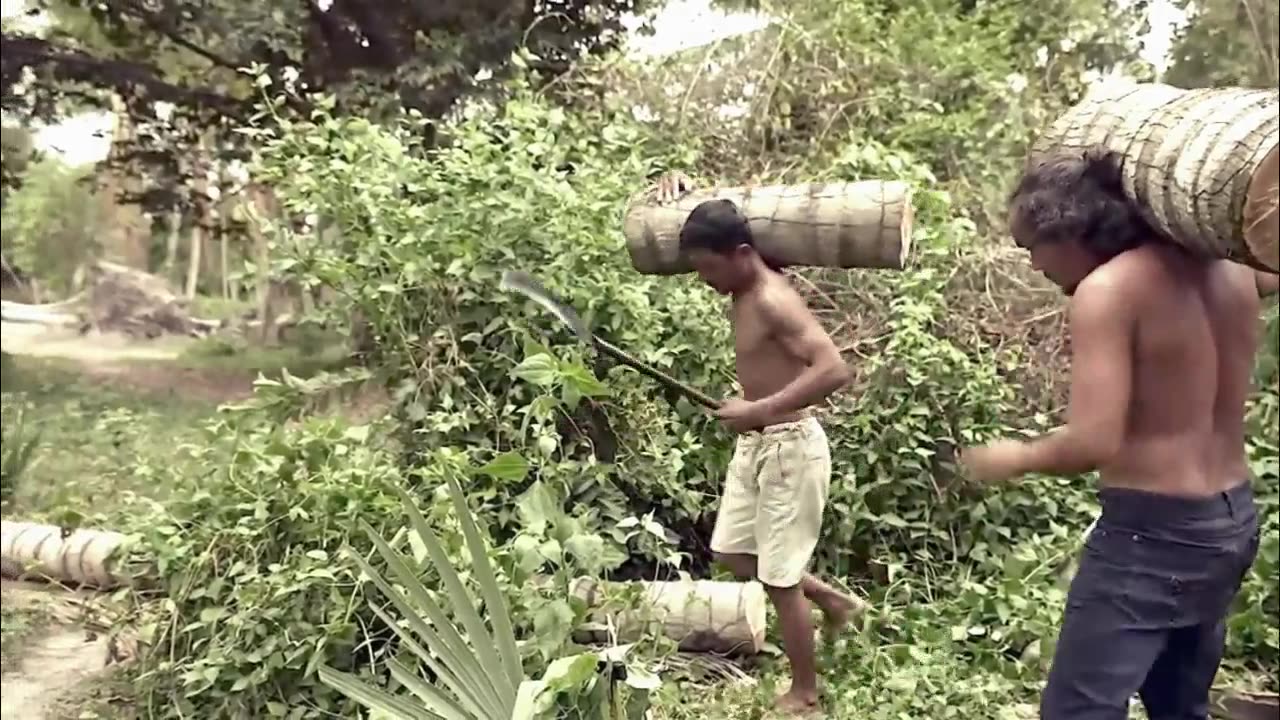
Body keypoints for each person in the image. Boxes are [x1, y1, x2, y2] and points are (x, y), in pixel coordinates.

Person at [961, 148, 1279, 720]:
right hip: (1231, 521)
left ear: (1071, 232)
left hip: (1152, 536)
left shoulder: (1108, 291)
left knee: (1077, 711)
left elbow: (1093, 441)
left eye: (1032, 247)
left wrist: (1018, 456)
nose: (1034, 265)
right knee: (1179, 704)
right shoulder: (1232, 268)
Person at [656, 173, 868, 716]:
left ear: (743, 253)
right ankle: (830, 599)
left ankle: (805, 693)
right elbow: (735, 205)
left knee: (779, 579)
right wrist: (678, 187)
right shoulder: (744, 284)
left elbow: (834, 369)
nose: (704, 280)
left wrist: (759, 409)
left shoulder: (773, 298)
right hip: (760, 446)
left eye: (708, 267)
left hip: (791, 446)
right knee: (731, 552)